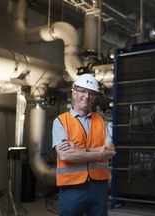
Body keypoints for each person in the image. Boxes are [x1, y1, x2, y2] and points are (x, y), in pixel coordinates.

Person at [52, 73, 116, 216]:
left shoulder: (100, 121)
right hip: (72, 188)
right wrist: (99, 153)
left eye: (91, 93)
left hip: (99, 186)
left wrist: (79, 150)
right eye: (82, 91)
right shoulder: (61, 121)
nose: (86, 96)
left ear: (94, 97)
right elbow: (64, 155)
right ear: (74, 93)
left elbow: (111, 151)